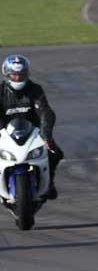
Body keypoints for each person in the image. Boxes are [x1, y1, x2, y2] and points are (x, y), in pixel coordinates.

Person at [0, 55, 62, 199]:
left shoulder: (35, 89)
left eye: (21, 75)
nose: (17, 78)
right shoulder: (0, 91)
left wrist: (46, 134)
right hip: (4, 133)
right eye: (14, 75)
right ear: (7, 74)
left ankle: (49, 183)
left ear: (27, 74)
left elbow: (46, 111)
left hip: (33, 132)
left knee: (55, 153)